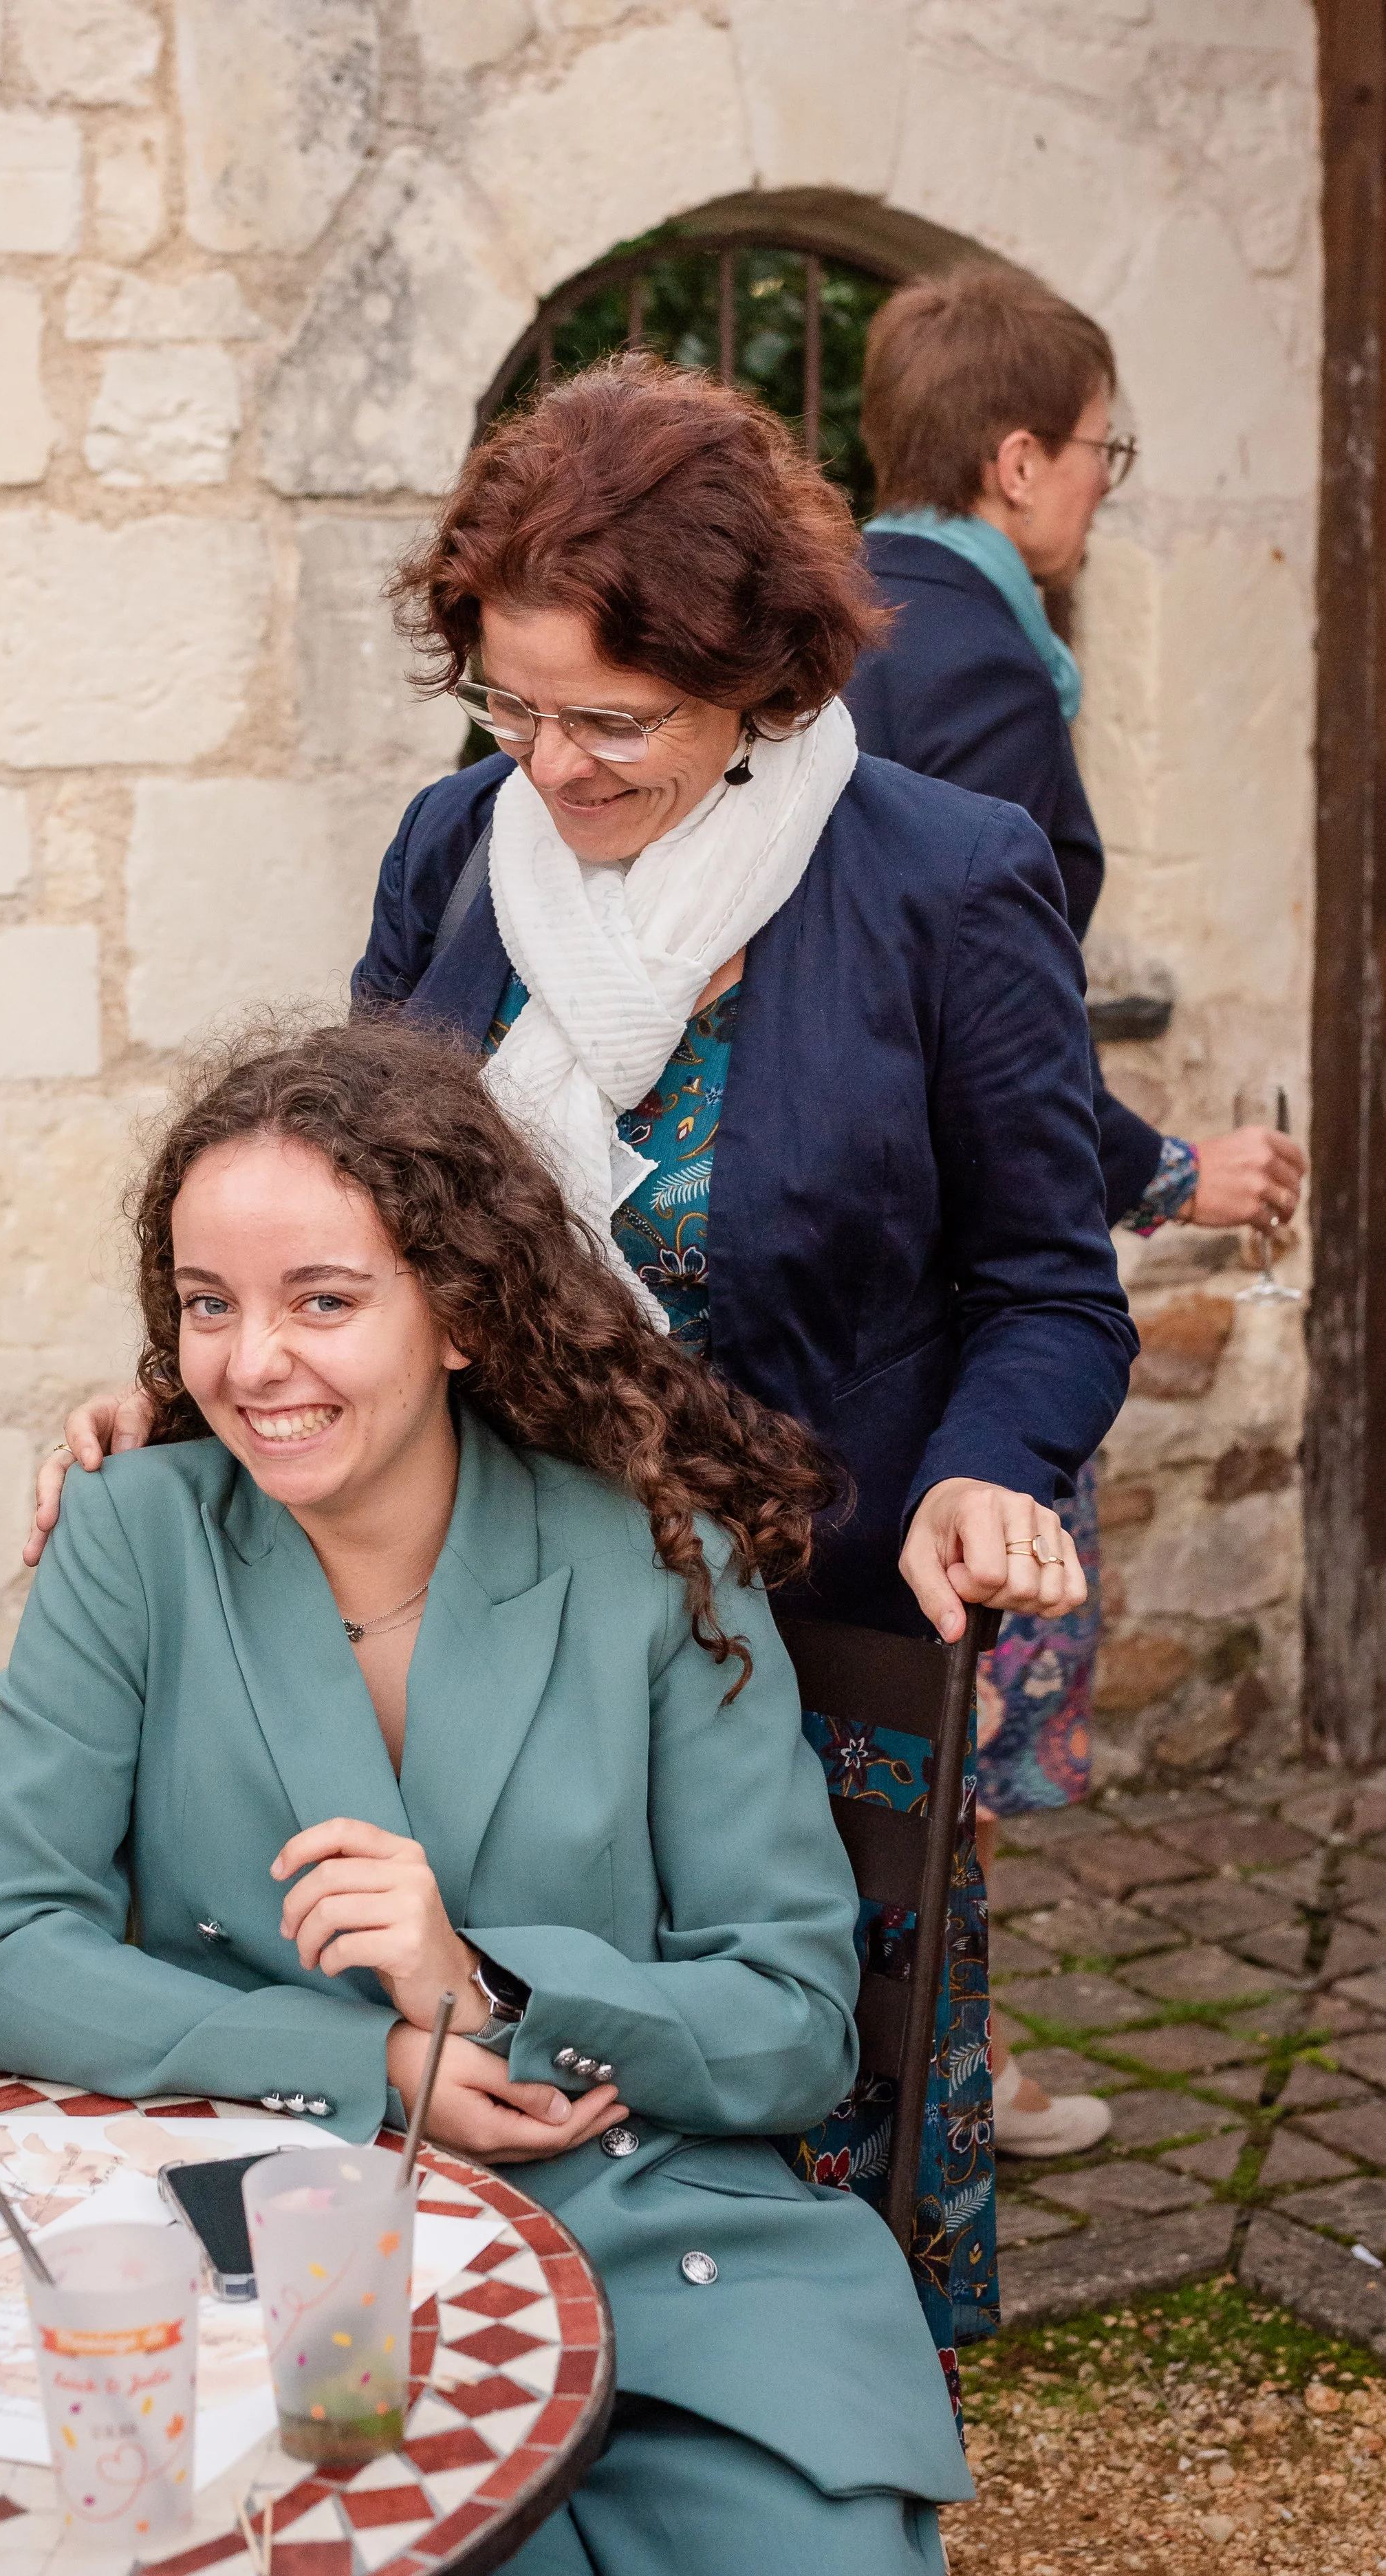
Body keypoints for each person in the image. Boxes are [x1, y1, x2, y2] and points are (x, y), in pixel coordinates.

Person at [25, 357, 1138, 2349]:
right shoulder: (452, 848)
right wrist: (180, 1384)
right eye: (510, 706)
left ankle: (774, 2407)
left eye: (612, 720)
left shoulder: (944, 880)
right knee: (478, 2045)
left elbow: (1049, 1286)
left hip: (815, 1607)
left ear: (762, 680)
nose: (550, 765)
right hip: (495, 1608)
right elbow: (352, 1186)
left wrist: (988, 1466)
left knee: (776, 2098)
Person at [0, 1015, 972, 2575]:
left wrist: (487, 1987)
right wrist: (370, 2059)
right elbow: (0, 1949)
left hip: (643, 2240)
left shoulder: (652, 1557)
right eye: (209, 1303)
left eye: (323, 1300)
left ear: (462, 1314)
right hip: (264, 2249)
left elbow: (792, 2023)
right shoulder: (132, 1537)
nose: (252, 1362)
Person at [845, 260, 1309, 2156]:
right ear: (1017, 456)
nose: (1105, 491)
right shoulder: (980, 669)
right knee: (944, 1679)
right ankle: (939, 2075)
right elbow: (965, 1014)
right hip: (943, 1275)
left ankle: (912, 2060)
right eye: (1104, 453)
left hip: (847, 1238)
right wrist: (1165, 1169)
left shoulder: (843, 623)